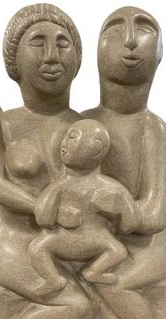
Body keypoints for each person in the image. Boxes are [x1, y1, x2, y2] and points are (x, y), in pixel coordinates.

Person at [0, 4, 90, 319]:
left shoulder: (85, 127)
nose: (52, 56)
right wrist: (42, 206)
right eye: (38, 43)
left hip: (68, 247)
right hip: (15, 246)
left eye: (63, 44)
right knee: (74, 303)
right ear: (14, 61)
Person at [82, 6, 166, 319]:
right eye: (114, 30)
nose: (130, 40)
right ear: (96, 52)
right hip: (88, 242)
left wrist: (119, 206)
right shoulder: (82, 124)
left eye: (144, 29)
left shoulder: (153, 130)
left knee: (106, 280)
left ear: (158, 55)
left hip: (145, 247)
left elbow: (156, 215)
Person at [28, 119, 140, 296]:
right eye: (66, 136)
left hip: (97, 240)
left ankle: (94, 271)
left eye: (72, 137)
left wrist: (121, 207)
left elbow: (130, 225)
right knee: (36, 248)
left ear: (95, 149)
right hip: (63, 238)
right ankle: (53, 279)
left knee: (118, 250)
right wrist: (58, 215)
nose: (64, 142)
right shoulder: (60, 186)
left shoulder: (111, 188)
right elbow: (42, 218)